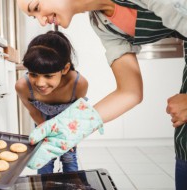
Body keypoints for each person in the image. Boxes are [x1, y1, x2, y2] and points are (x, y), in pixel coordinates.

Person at [17, 0, 187, 189]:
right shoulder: (102, 24)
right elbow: (130, 92)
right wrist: (73, 126)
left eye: (37, 8)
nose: (41, 22)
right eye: (34, 17)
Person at [15, 30, 88, 174]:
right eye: (33, 74)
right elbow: (33, 111)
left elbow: (77, 113)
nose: (40, 83)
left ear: (65, 69)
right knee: (43, 161)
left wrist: (69, 137)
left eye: (49, 75)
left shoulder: (78, 84)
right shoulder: (22, 86)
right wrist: (46, 134)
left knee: (69, 158)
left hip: (68, 127)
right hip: (43, 124)